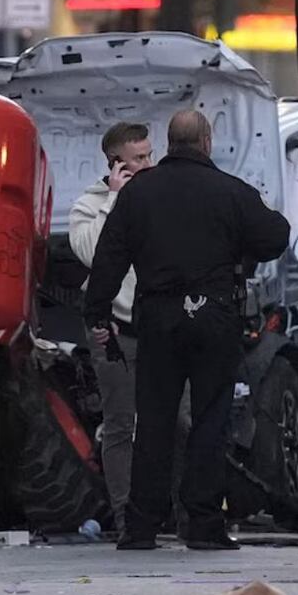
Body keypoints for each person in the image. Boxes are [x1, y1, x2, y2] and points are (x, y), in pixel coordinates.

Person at [84, 110, 290, 551]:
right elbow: (275, 236)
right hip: (214, 316)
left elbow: (108, 258)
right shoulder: (231, 192)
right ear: (207, 142)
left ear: (169, 143)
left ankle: (141, 527)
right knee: (210, 420)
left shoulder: (138, 194)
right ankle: (203, 525)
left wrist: (97, 316)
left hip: (158, 318)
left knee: (153, 422)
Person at [70, 122, 196, 537]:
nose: (149, 163)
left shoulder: (164, 195)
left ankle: (183, 512)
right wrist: (115, 199)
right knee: (121, 424)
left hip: (163, 327)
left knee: (180, 421)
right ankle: (127, 517)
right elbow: (91, 253)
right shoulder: (89, 205)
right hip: (116, 331)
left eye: (150, 154)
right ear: (116, 164)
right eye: (139, 158)